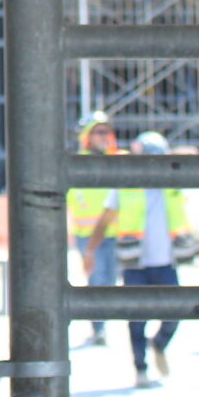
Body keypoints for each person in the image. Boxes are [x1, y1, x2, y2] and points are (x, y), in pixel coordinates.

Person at [81, 131, 191, 389]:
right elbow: (105, 219)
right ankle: (140, 368)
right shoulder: (126, 186)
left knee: (175, 313)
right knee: (137, 319)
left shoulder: (172, 186)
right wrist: (91, 251)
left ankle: (159, 344)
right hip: (135, 263)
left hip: (166, 262)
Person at [67, 111, 121, 347]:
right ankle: (98, 329)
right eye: (99, 132)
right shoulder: (79, 163)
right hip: (90, 236)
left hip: (112, 234)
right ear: (88, 136)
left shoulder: (112, 160)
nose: (104, 136)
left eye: (106, 131)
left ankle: (101, 326)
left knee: (109, 282)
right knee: (97, 281)